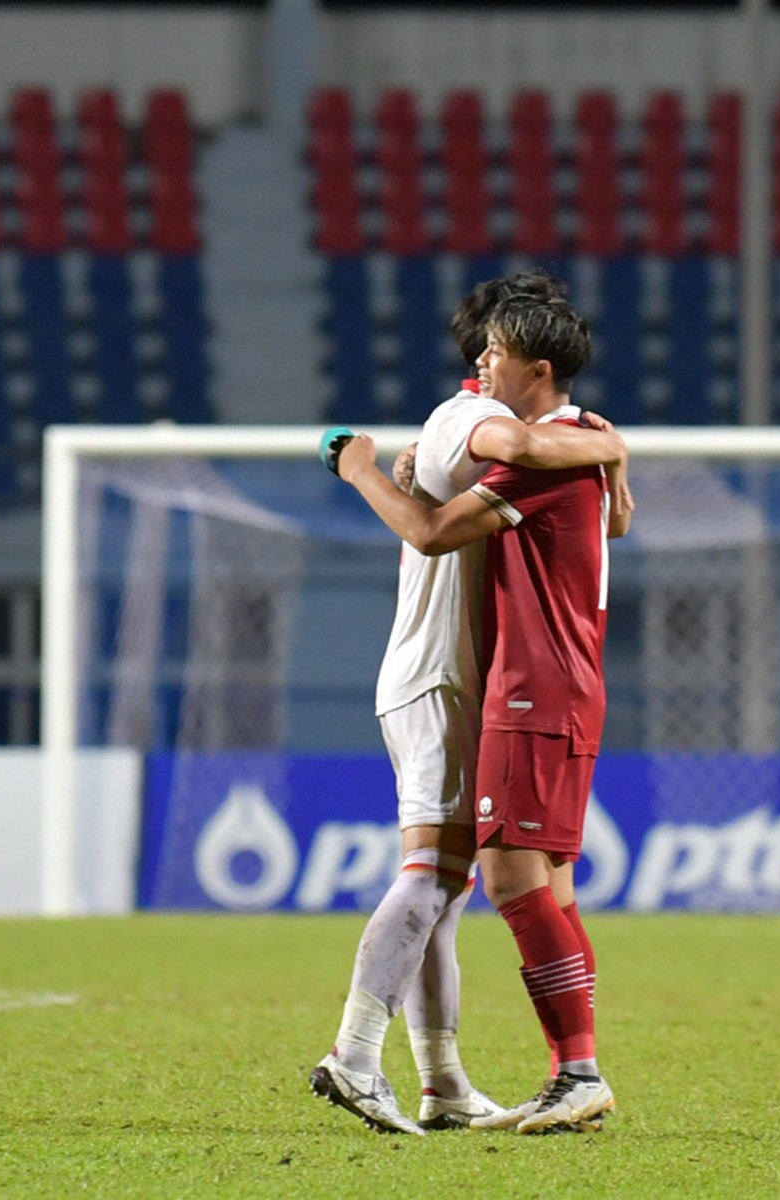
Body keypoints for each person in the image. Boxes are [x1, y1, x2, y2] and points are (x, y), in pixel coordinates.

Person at [310, 274, 629, 1137]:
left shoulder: (509, 436)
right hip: (513, 680)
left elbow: (434, 525)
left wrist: (363, 469)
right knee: (506, 883)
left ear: (537, 365)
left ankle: (378, 1058)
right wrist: (616, 454)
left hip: (510, 681)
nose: (480, 362)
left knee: (486, 880)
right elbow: (604, 513)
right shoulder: (560, 438)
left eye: (496, 349)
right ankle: (470, 1077)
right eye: (480, 348)